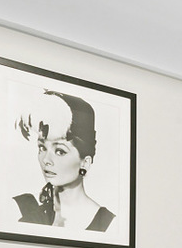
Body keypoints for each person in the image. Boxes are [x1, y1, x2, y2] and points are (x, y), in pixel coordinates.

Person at [13, 90, 114, 231]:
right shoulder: (21, 207)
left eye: (60, 151)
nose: (46, 160)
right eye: (42, 148)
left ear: (85, 162)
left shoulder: (108, 224)